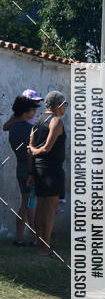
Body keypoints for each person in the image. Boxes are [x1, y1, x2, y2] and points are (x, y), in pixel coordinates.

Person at [28, 91, 68, 257]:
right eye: (65, 104)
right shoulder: (56, 121)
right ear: (58, 105)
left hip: (39, 169)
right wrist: (36, 151)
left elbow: (30, 149)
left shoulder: (37, 121)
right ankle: (45, 247)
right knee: (49, 210)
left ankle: (40, 246)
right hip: (51, 170)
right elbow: (46, 148)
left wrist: (31, 173)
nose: (66, 107)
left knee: (40, 209)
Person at [7, 95, 38, 245]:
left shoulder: (12, 127)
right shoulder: (30, 129)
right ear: (26, 111)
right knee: (31, 204)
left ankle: (20, 238)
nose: (34, 113)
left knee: (26, 204)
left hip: (20, 167)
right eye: (32, 110)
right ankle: (34, 238)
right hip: (31, 169)